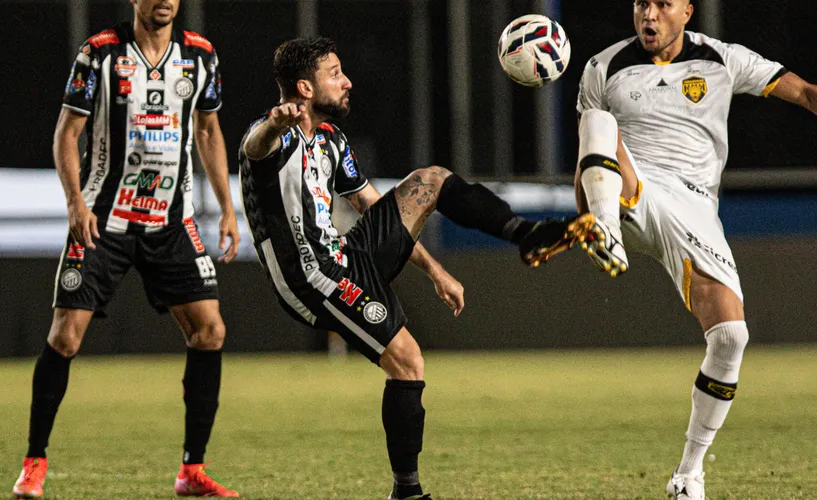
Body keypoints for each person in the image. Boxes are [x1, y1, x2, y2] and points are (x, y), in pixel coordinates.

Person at [239, 37, 593, 500]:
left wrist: (434, 270)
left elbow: (369, 202)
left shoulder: (329, 138)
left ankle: (525, 235)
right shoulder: (278, 135)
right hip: (311, 277)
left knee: (432, 180)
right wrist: (272, 122)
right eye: (335, 73)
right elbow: (254, 146)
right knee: (407, 361)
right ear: (304, 89)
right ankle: (406, 493)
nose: (347, 82)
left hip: (346, 253)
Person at [573, 1, 817, 498]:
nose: (648, 15)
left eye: (661, 5)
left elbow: (804, 91)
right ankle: (606, 230)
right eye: (640, 4)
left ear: (686, 11)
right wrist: (600, 210)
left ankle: (688, 474)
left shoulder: (723, 59)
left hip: (696, 206)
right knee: (595, 120)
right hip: (630, 191)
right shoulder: (603, 65)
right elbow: (589, 151)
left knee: (730, 338)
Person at [12, 0, 241, 497]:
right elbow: (66, 135)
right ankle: (34, 461)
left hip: (171, 222)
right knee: (66, 337)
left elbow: (207, 130)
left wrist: (226, 203)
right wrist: (75, 203)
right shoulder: (99, 54)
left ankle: (191, 470)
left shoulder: (201, 56)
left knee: (210, 331)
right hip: (104, 220)